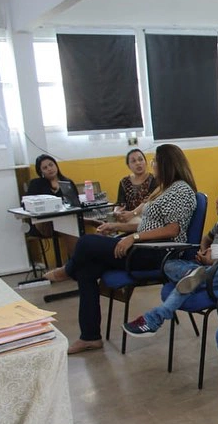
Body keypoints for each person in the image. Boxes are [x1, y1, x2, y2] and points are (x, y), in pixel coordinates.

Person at [44, 144, 198, 355]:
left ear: (166, 164)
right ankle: (90, 337)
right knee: (86, 270)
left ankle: (66, 271)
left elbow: (172, 229)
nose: (152, 165)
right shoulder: (165, 189)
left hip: (156, 254)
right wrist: (118, 227)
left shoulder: (181, 190)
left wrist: (132, 238)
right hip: (143, 246)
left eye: (154, 162)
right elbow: (149, 224)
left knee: (85, 243)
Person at [123, 182, 218, 337]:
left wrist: (210, 262)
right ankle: (193, 275)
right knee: (168, 264)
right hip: (212, 267)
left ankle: (154, 319)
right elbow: (206, 239)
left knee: (193, 277)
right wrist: (203, 252)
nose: (217, 200)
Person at [24, 154, 79, 256]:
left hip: (65, 219)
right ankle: (75, 263)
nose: (49, 169)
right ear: (41, 172)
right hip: (45, 222)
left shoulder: (67, 182)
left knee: (70, 224)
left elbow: (76, 203)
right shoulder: (36, 184)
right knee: (68, 226)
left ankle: (75, 261)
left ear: (56, 165)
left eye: (51, 165)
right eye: (45, 168)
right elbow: (26, 203)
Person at [114, 148, 157, 223]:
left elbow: (149, 201)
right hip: (128, 217)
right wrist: (116, 211)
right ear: (128, 166)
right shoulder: (124, 181)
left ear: (145, 162)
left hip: (148, 217)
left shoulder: (154, 179)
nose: (138, 163)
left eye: (140, 159)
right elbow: (120, 203)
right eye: (133, 161)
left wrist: (132, 214)